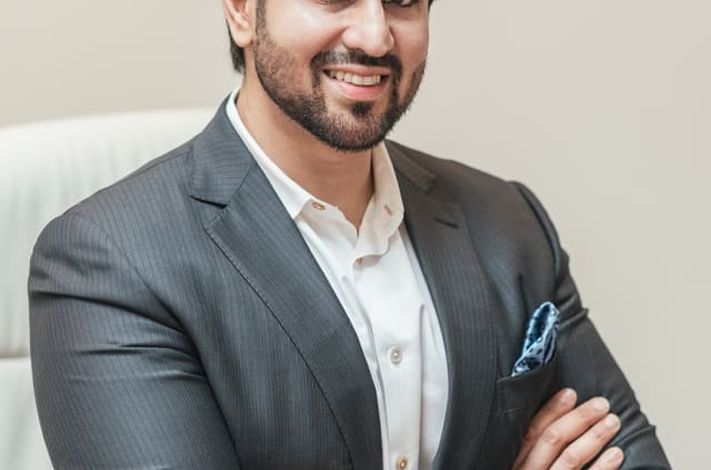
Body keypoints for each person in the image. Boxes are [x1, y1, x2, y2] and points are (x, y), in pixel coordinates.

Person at [28, 0, 670, 468]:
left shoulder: (507, 219)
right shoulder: (108, 262)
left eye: (404, 1)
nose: (374, 34)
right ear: (243, 11)